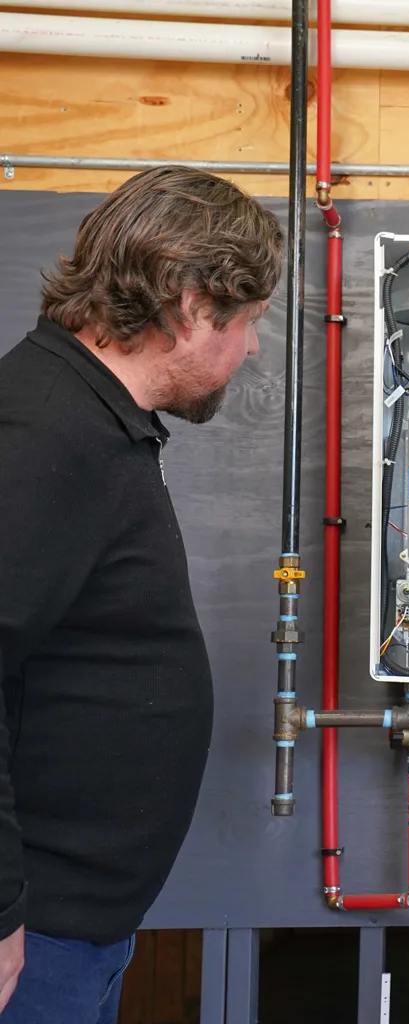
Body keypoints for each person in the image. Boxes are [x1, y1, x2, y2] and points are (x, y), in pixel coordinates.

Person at [0, 167, 283, 1022]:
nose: (253, 348)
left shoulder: (90, 419)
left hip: (68, 926)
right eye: (250, 322)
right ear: (190, 307)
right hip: (32, 939)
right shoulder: (48, 434)